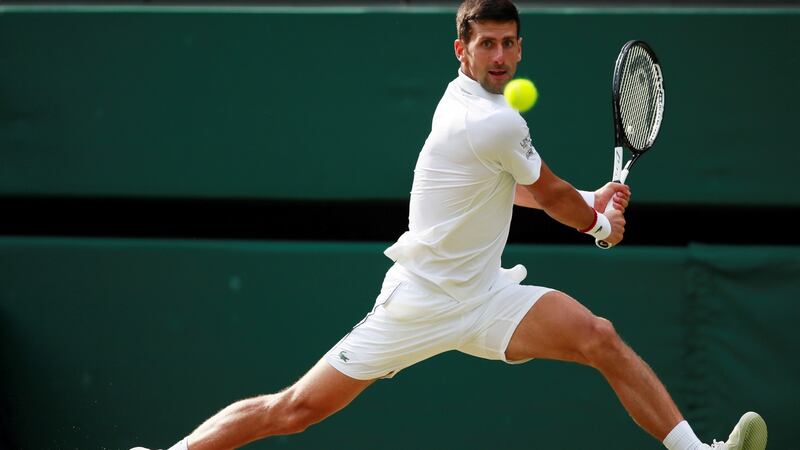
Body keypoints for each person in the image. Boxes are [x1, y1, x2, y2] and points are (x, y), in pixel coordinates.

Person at [133, 1, 767, 449]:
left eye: (508, 41)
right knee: (294, 410)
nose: (499, 55)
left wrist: (590, 196)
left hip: (486, 295)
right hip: (421, 301)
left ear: (520, 46)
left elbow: (509, 188)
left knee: (597, 336)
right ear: (461, 49)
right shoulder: (492, 120)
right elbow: (545, 194)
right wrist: (598, 224)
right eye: (485, 43)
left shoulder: (472, 104)